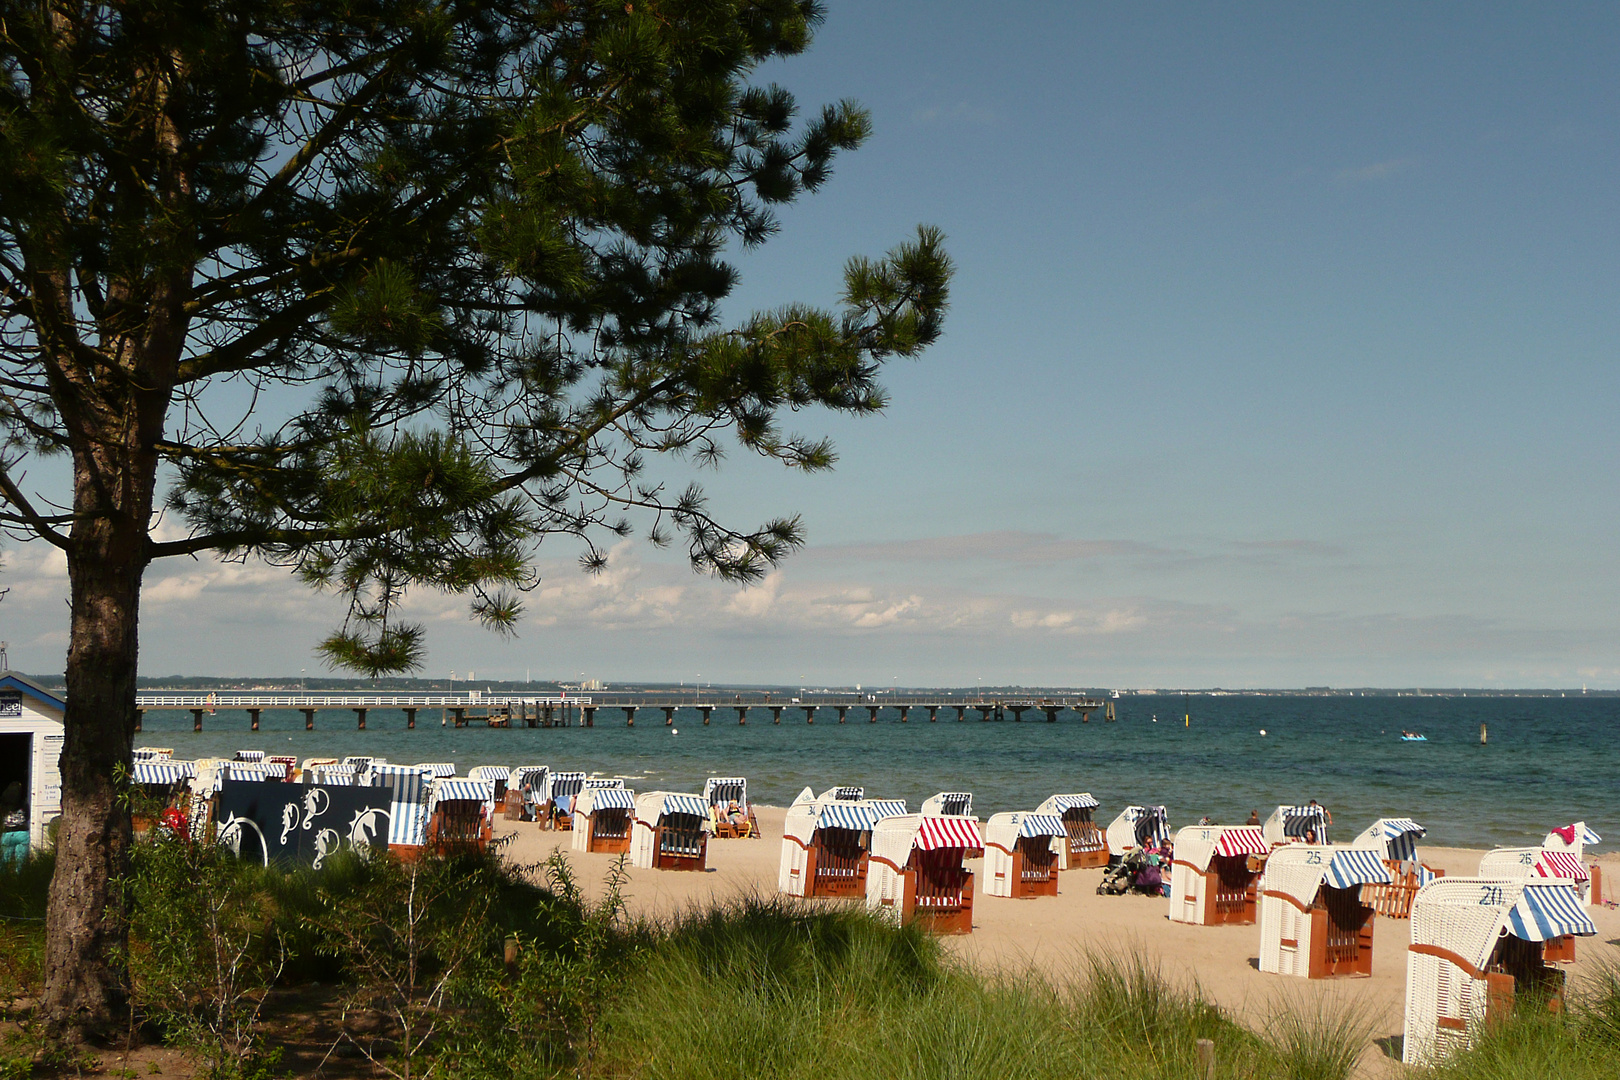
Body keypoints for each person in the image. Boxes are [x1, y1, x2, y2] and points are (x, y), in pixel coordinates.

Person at [1, 781, 27, 865]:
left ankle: (5, 877)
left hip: (7, 833)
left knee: (4, 860)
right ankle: (20, 876)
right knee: (21, 862)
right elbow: (28, 816)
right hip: (22, 833)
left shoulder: (3, 805)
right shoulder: (23, 804)